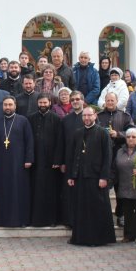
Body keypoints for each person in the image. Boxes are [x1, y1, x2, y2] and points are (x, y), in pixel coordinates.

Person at [67, 106, 115, 246]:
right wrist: (71, 175)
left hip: (96, 177)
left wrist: (104, 177)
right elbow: (73, 155)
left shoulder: (102, 133)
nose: (87, 118)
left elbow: (107, 156)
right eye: (84, 116)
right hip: (80, 176)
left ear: (95, 116)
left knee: (96, 209)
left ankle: (97, 239)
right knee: (81, 209)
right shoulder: (78, 133)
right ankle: (80, 238)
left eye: (89, 115)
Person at [0, 96, 34, 227]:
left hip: (18, 162)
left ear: (15, 106)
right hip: (0, 161)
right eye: (5, 105)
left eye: (10, 105)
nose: (8, 107)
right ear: (2, 106)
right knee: (1, 190)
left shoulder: (23, 121)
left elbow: (29, 141)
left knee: (17, 190)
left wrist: (29, 159)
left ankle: (19, 219)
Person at [97, 91, 135, 227]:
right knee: (103, 188)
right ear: (105, 102)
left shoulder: (125, 116)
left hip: (120, 155)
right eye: (108, 100)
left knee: (121, 188)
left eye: (112, 100)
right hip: (104, 157)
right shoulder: (99, 116)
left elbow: (132, 133)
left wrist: (118, 134)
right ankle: (103, 215)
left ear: (117, 101)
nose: (110, 103)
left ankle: (121, 214)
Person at [28, 93, 63, 227]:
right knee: (35, 191)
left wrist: (57, 160)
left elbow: (60, 141)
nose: (43, 105)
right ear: (37, 103)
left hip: (50, 163)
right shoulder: (31, 118)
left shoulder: (56, 118)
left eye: (45, 103)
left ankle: (51, 220)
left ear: (50, 103)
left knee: (50, 192)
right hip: (35, 162)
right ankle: (35, 220)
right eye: (40, 103)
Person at [60, 91, 84, 226]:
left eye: (77, 99)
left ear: (82, 101)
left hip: (85, 162)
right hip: (69, 160)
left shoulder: (88, 117)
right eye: (73, 99)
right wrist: (62, 161)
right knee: (69, 192)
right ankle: (70, 220)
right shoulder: (66, 119)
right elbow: (61, 142)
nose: (75, 101)